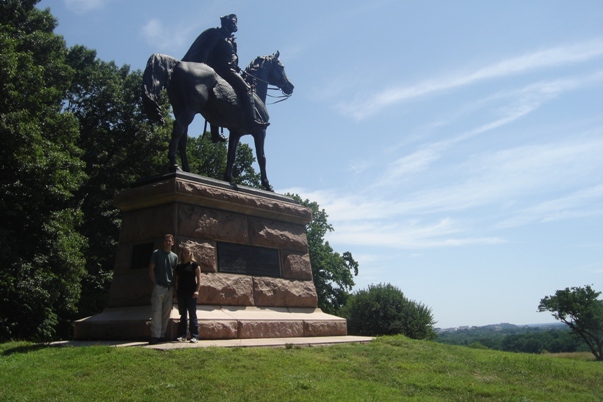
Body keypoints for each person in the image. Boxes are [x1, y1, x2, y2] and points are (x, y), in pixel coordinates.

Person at [182, 14, 268, 130]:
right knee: (247, 89)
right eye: (233, 22)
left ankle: (215, 132)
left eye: (235, 23)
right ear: (226, 23)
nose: (235, 25)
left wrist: (236, 66)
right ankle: (252, 120)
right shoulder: (217, 35)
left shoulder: (230, 40)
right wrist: (202, 66)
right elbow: (207, 50)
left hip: (230, 70)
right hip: (224, 71)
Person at [148, 234, 178, 344]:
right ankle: (155, 335)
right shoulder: (157, 253)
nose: (168, 242)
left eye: (169, 241)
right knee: (156, 311)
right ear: (163, 242)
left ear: (172, 243)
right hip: (159, 286)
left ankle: (162, 334)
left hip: (169, 288)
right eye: (166, 241)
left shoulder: (174, 257)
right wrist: (154, 282)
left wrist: (174, 287)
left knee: (166, 313)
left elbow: (175, 273)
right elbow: (151, 268)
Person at [174, 246, 202, 343]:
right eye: (184, 252)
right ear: (182, 254)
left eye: (188, 252)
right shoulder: (179, 266)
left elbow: (199, 279)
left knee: (192, 314)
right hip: (181, 293)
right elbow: (177, 280)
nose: (186, 254)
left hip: (191, 293)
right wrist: (176, 291)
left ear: (191, 253)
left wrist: (197, 290)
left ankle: (194, 336)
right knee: (183, 315)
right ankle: (182, 335)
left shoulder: (195, 265)